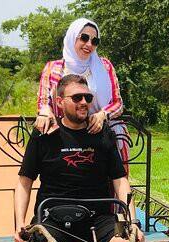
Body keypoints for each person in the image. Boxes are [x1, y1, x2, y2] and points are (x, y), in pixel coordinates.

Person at [14, 74, 144, 242]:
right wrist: (19, 224)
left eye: (88, 97)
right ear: (60, 102)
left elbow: (120, 181)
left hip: (98, 214)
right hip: (54, 214)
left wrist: (132, 222)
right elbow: (24, 182)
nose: (84, 102)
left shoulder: (102, 133)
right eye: (77, 97)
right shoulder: (44, 135)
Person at [34, 18, 129, 165]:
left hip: (99, 134)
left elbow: (117, 103)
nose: (89, 44)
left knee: (110, 177)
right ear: (72, 37)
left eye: (95, 41)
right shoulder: (53, 68)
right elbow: (44, 101)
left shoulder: (104, 66)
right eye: (84, 38)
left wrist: (102, 115)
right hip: (65, 138)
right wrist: (45, 111)